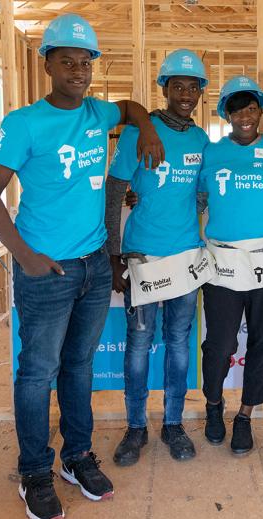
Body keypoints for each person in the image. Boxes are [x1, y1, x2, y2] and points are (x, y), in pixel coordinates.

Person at [0, 14, 164, 519]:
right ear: (48, 64)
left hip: (94, 266)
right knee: (37, 374)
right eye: (68, 61)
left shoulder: (101, 113)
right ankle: (35, 470)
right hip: (47, 272)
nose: (79, 71)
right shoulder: (25, 123)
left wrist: (144, 128)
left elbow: (132, 106)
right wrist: (25, 256)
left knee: (78, 366)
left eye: (86, 62)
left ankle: (76, 457)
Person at [104, 50, 213, 466]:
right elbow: (114, 194)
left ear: (201, 93)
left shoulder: (200, 139)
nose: (185, 94)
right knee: (138, 345)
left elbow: (200, 192)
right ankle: (135, 427)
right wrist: (114, 257)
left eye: (193, 87)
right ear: (164, 88)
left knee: (180, 346)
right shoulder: (136, 136)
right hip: (144, 258)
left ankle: (173, 423)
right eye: (178, 86)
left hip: (185, 259)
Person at [197, 76, 263, 455]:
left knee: (262, 340)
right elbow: (197, 199)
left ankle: (245, 415)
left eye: (251, 107)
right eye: (237, 108)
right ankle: (214, 406)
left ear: (260, 111)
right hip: (222, 258)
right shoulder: (212, 153)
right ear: (227, 114)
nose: (245, 115)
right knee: (219, 343)